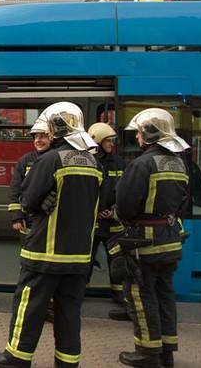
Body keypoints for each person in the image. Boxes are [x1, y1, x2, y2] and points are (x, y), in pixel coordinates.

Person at [0, 102, 101, 368]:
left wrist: (40, 201)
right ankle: (67, 362)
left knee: (29, 305)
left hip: (44, 252)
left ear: (56, 129)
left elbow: (27, 200)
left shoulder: (51, 159)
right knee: (69, 311)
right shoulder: (93, 162)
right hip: (79, 256)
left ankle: (17, 357)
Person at [113, 109, 190, 368]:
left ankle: (148, 352)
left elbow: (124, 205)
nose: (136, 137)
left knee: (140, 294)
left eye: (138, 133)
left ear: (147, 136)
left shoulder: (142, 164)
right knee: (164, 293)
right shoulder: (179, 163)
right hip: (170, 238)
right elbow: (184, 203)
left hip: (144, 242)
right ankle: (167, 350)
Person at [87, 123, 128, 307]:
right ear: (98, 141)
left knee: (118, 261)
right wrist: (96, 211)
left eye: (112, 141)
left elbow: (127, 191)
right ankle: (79, 291)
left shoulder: (120, 163)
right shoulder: (87, 161)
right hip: (92, 223)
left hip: (114, 222)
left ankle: (119, 294)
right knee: (86, 260)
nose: (112, 144)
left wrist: (114, 210)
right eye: (108, 141)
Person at [8, 115, 51, 236]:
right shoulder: (25, 160)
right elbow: (15, 188)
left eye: (42, 137)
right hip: (28, 219)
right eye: (35, 137)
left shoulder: (56, 159)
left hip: (49, 217)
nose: (38, 140)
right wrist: (17, 216)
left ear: (51, 138)